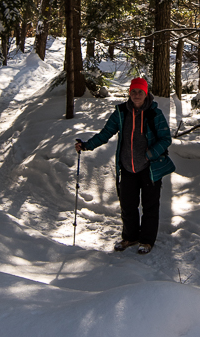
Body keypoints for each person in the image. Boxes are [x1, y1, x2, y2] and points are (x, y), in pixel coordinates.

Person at [75, 77, 175, 253]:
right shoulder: (121, 112)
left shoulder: (154, 113)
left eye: (140, 92)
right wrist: (87, 145)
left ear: (146, 93)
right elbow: (106, 133)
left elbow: (166, 138)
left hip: (149, 168)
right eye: (133, 91)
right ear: (129, 93)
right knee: (127, 205)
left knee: (150, 205)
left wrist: (151, 153)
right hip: (127, 167)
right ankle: (130, 237)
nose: (136, 95)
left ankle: (146, 241)